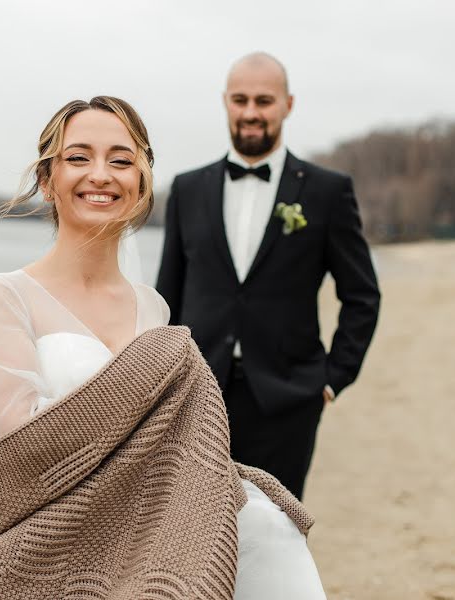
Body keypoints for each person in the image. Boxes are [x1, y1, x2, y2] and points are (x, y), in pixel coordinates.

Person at [0, 96, 326, 598]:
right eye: (78, 158)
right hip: (57, 530)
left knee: (271, 527)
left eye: (121, 160)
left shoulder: (154, 311)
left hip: (158, 527)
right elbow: (25, 449)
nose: (100, 174)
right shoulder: (4, 295)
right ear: (47, 179)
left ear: (142, 182)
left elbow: (184, 440)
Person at [156, 52, 381, 500]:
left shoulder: (326, 192)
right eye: (240, 100)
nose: (251, 112)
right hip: (195, 396)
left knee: (276, 535)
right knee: (190, 533)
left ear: (288, 104)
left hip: (288, 399)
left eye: (264, 100)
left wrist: (332, 379)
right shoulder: (187, 189)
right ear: (226, 102)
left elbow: (362, 295)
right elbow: (168, 297)